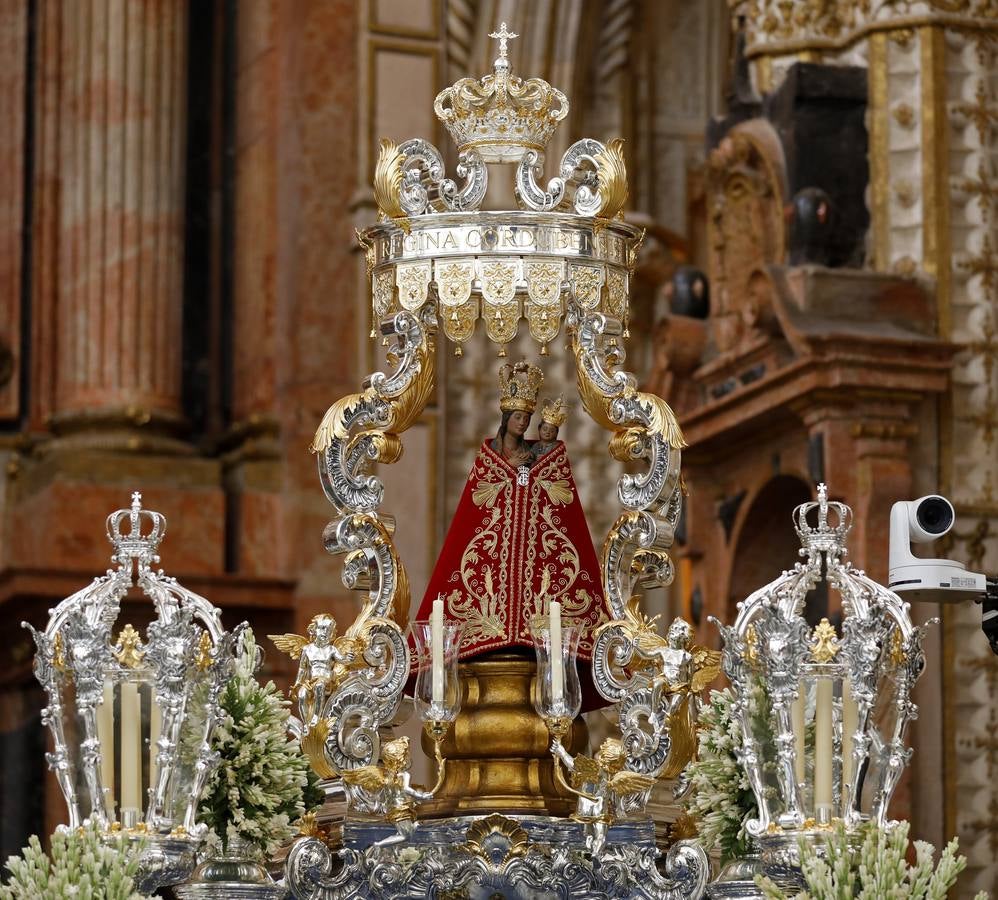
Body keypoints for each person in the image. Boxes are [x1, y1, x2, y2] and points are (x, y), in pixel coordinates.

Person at [410, 361, 608, 705]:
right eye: (519, 418)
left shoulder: (540, 459)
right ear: (506, 418)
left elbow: (559, 508)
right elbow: (474, 519)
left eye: (528, 420)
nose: (524, 424)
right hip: (487, 617)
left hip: (539, 631)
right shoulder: (490, 462)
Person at [532, 396, 568, 461]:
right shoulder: (535, 446)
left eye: (551, 431)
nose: (547, 432)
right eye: (545, 429)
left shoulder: (557, 448)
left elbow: (561, 463)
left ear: (556, 433)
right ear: (539, 429)